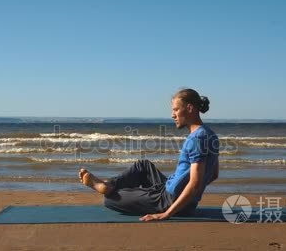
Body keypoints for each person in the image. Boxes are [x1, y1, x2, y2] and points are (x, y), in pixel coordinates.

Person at [78, 88, 219, 222]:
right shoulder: (210, 135)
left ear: (189, 108)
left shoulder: (197, 139)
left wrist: (167, 213)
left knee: (110, 199)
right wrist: (188, 192)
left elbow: (195, 183)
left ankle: (117, 189)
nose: (172, 115)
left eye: (176, 110)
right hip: (172, 191)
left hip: (169, 200)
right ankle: (109, 185)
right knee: (143, 166)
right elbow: (213, 174)